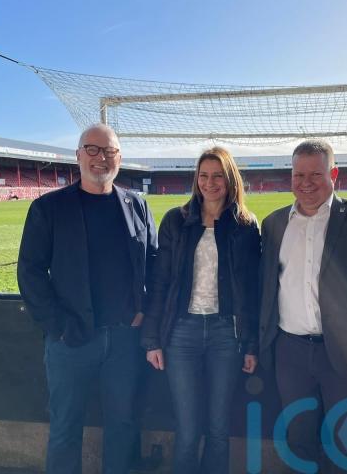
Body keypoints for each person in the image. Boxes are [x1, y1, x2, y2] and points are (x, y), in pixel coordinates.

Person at [17, 123, 157, 474]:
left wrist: (143, 311)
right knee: (65, 429)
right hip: (71, 340)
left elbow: (155, 264)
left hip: (125, 340)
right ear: (78, 155)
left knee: (123, 426)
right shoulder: (49, 208)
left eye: (109, 151)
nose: (101, 157)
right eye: (92, 149)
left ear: (119, 158)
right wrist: (59, 327)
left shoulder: (138, 206)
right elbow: (30, 272)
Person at [258, 139, 347, 470]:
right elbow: (268, 288)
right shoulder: (273, 223)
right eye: (298, 175)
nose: (306, 183)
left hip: (344, 353)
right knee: (298, 437)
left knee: (346, 440)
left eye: (315, 174)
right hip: (290, 352)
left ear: (333, 174)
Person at [141, 146, 260, 474]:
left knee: (219, 428)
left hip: (226, 335)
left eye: (218, 176)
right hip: (182, 334)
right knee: (188, 428)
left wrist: (251, 344)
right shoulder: (176, 221)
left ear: (230, 180)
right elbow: (160, 283)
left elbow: (252, 291)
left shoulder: (245, 226)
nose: (210, 182)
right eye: (204, 176)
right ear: (196, 180)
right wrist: (152, 340)